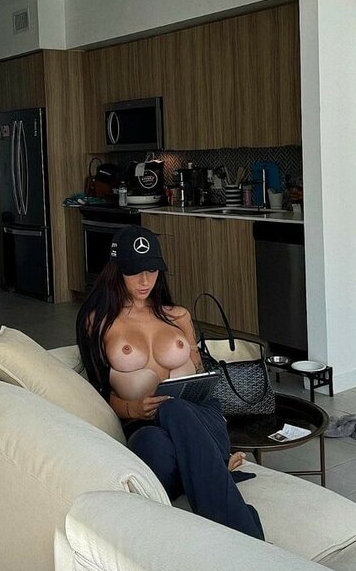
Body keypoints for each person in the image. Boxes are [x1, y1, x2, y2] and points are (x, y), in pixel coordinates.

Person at [76, 225, 264, 540]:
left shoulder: (176, 316)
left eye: (152, 270)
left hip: (199, 415)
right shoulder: (97, 321)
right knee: (153, 447)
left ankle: (244, 535)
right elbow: (97, 391)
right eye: (135, 271)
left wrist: (191, 342)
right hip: (144, 426)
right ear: (117, 269)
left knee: (173, 408)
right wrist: (133, 409)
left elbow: (200, 373)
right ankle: (215, 471)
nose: (145, 281)